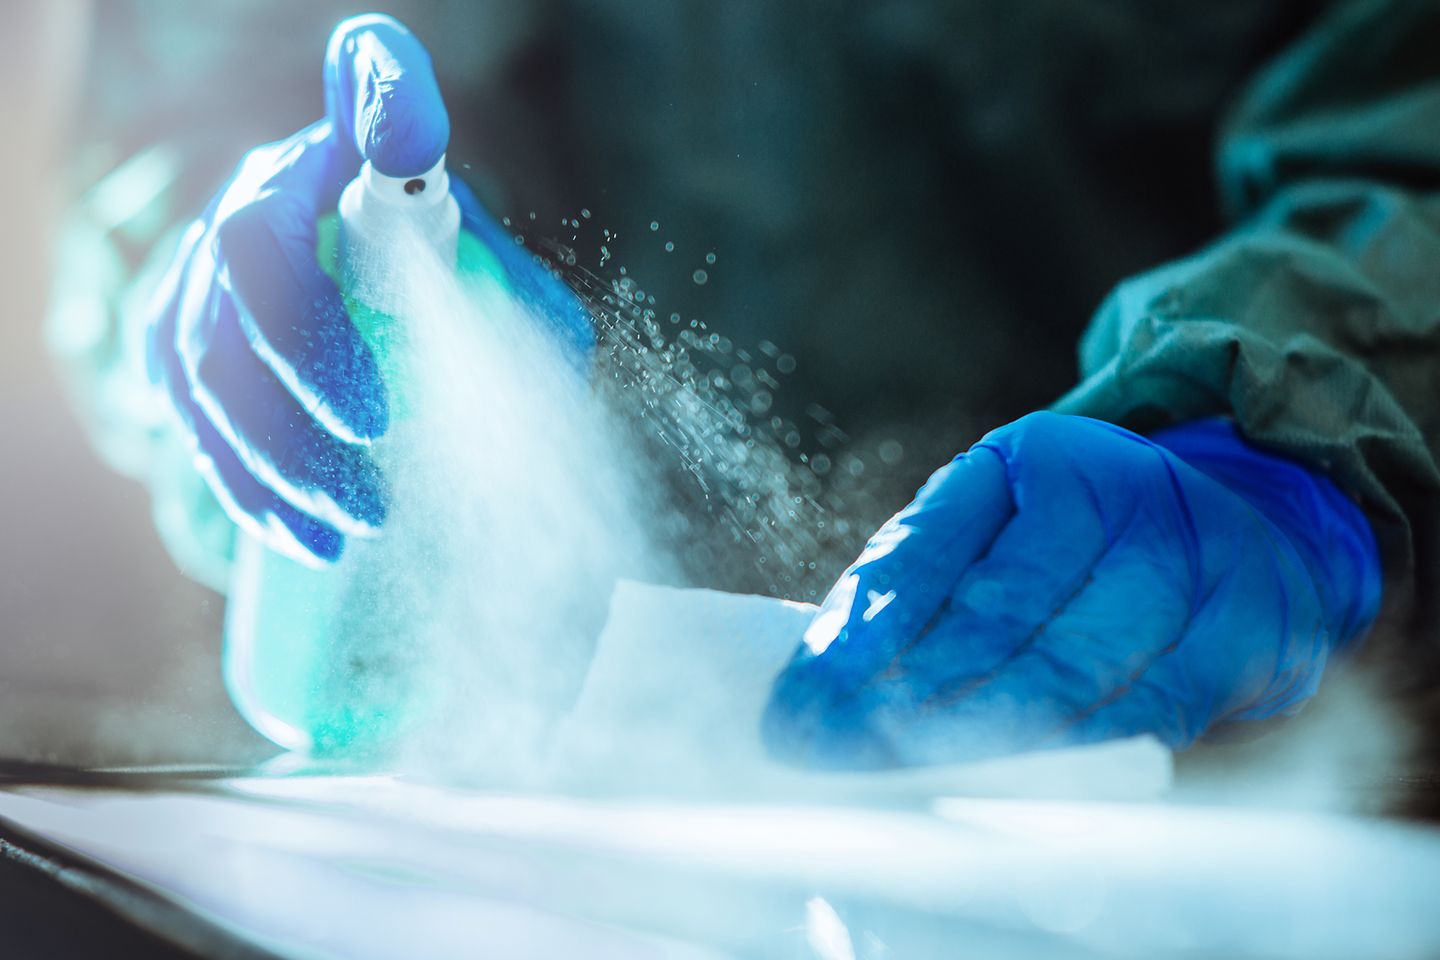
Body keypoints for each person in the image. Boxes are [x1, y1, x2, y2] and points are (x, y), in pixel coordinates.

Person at [51, 1, 1440, 768]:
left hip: (1247, 712)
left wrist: (1295, 432)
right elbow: (207, 82)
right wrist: (224, 261)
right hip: (582, 787)